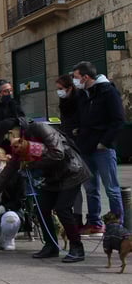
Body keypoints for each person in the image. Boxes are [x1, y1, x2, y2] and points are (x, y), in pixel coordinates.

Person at [0, 118, 91, 262]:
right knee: (42, 208)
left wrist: (30, 164)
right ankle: (50, 245)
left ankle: (77, 247)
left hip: (71, 172)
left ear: (12, 131)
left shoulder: (40, 128)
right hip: (51, 178)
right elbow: (7, 172)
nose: (7, 141)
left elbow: (58, 154)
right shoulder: (18, 145)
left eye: (6, 136)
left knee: (63, 209)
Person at [73, 61, 126, 233]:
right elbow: (83, 118)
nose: (75, 81)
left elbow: (118, 120)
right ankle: (94, 222)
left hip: (103, 148)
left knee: (111, 188)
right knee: (90, 188)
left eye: (76, 77)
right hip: (86, 147)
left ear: (86, 77)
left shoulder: (108, 92)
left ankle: (116, 224)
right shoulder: (83, 94)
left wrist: (105, 142)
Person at [56, 74, 86, 227]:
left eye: (61, 89)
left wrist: (76, 131)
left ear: (69, 88)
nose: (59, 92)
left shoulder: (79, 99)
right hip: (68, 144)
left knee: (85, 184)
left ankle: (83, 217)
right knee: (73, 185)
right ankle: (76, 218)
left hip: (79, 144)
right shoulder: (64, 101)